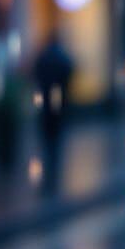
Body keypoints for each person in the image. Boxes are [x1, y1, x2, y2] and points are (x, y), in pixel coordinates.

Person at [33, 28, 74, 196]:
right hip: (58, 101)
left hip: (45, 102)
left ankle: (49, 171)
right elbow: (70, 71)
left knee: (47, 136)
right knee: (56, 136)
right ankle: (54, 169)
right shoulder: (61, 57)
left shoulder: (44, 57)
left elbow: (35, 72)